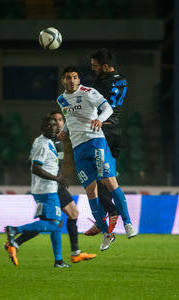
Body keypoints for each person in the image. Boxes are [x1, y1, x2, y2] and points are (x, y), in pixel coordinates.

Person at [57, 66, 137, 251]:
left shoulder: (89, 92)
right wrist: (64, 130)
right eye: (68, 78)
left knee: (109, 181)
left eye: (75, 77)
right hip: (78, 149)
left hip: (95, 142)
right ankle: (107, 234)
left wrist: (100, 120)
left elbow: (107, 108)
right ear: (63, 80)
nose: (72, 80)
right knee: (91, 192)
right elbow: (70, 118)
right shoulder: (61, 99)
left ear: (78, 80)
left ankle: (128, 223)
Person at [4, 116, 71, 268]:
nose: (53, 127)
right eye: (49, 125)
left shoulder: (47, 142)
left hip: (45, 188)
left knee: (54, 223)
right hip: (46, 189)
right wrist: (56, 178)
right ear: (43, 128)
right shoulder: (42, 144)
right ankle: (14, 230)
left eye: (55, 124)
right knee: (54, 224)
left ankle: (59, 260)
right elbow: (36, 168)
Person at [85, 48, 132, 237]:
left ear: (105, 66)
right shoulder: (123, 80)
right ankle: (102, 220)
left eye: (95, 66)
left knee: (95, 177)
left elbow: (94, 104)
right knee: (108, 175)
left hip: (101, 130)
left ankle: (110, 214)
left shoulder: (101, 82)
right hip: (116, 131)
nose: (93, 69)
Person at [49, 111, 96, 262]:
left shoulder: (60, 141)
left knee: (71, 215)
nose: (58, 122)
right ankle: (14, 239)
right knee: (50, 223)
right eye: (55, 120)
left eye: (60, 119)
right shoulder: (47, 141)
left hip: (56, 184)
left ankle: (75, 253)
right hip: (49, 186)